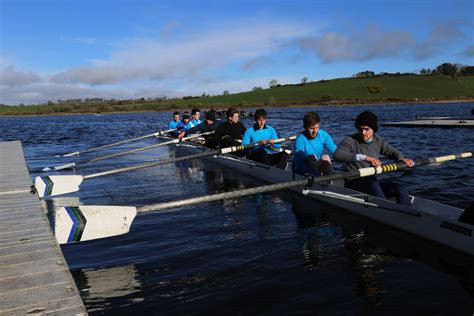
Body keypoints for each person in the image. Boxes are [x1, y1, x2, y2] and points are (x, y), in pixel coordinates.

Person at [333, 110, 414, 205]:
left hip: (371, 180)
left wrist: (401, 158)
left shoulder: (379, 141)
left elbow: (392, 151)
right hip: (353, 182)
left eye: (366, 129)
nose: (363, 132)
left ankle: (409, 213)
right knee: (374, 186)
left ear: (373, 129)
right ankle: (387, 212)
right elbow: (337, 155)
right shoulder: (350, 141)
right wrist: (364, 157)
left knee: (400, 188)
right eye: (360, 129)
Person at [292, 112, 337, 176]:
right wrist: (315, 174)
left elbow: (335, 151)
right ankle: (321, 179)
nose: (315, 131)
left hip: (316, 166)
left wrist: (348, 159)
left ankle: (326, 180)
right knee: (311, 157)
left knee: (326, 157)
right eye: (312, 128)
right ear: (305, 127)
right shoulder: (300, 140)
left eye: (317, 127)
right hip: (301, 170)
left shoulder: (323, 135)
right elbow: (299, 163)